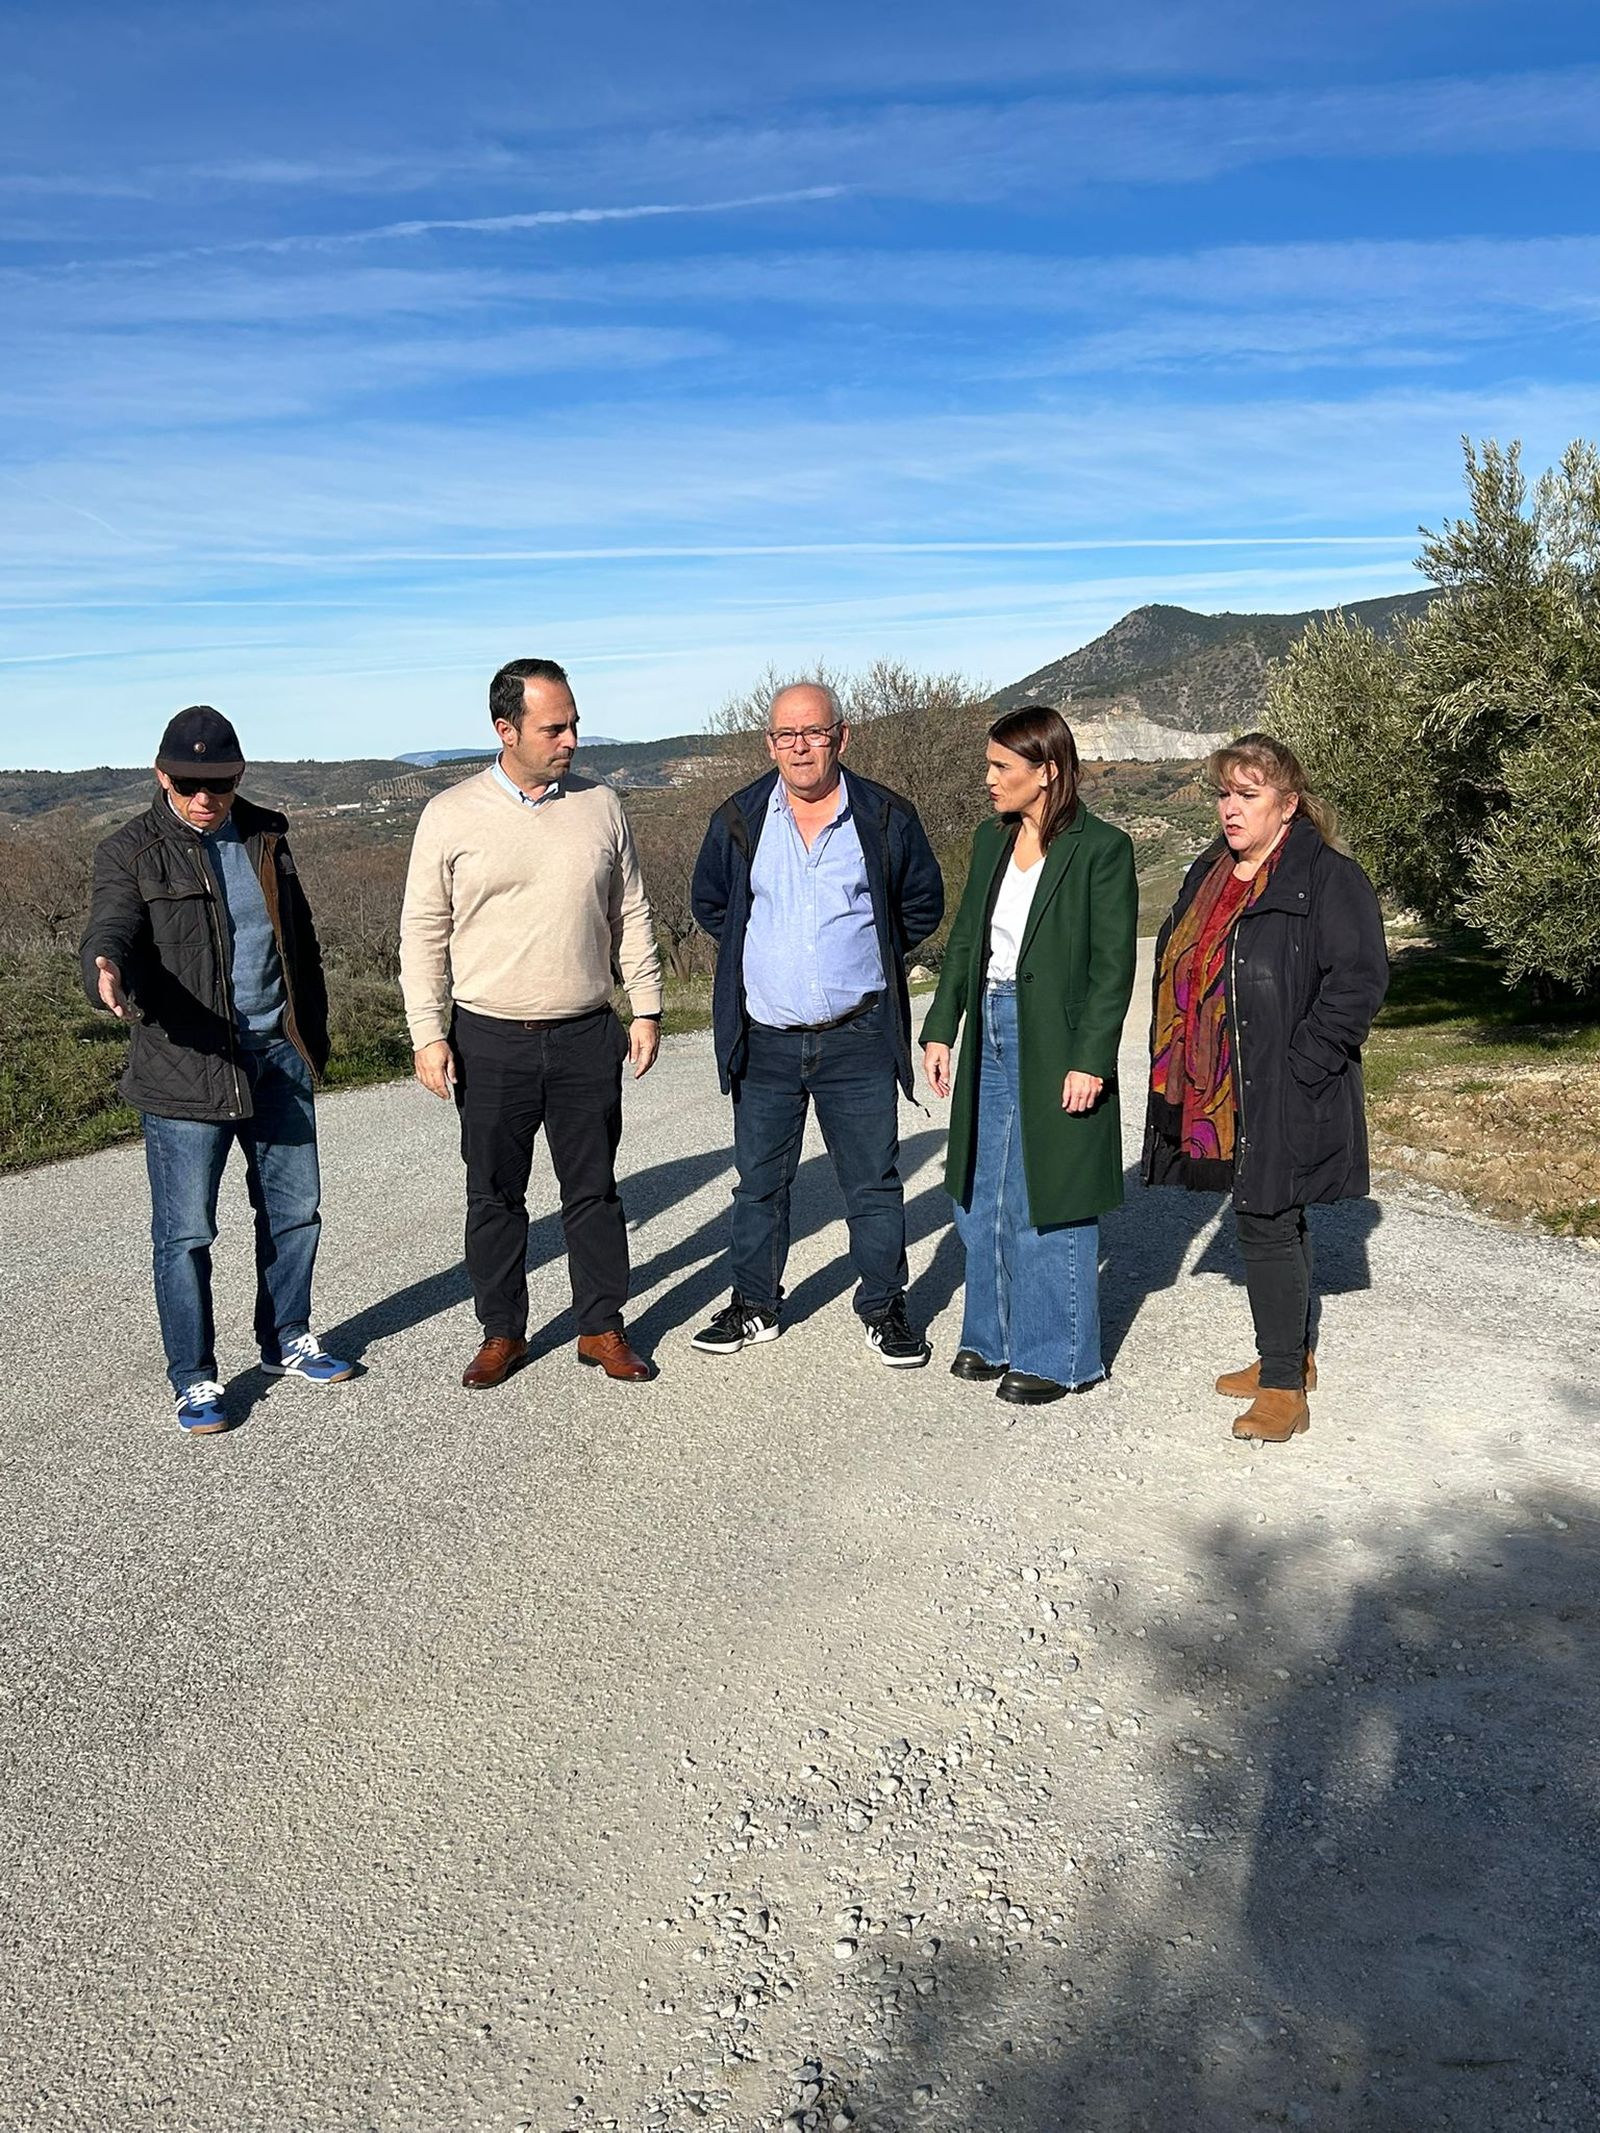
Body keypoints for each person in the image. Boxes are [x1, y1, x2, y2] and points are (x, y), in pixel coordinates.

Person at [80, 706, 352, 1434]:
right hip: (184, 1070)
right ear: (161, 774)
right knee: (186, 1235)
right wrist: (102, 965)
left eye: (222, 783)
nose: (207, 799)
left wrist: (308, 1036)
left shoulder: (267, 835)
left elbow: (299, 941)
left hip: (276, 1058)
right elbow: (110, 924)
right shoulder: (130, 850)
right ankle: (194, 1378)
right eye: (192, 784)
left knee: (295, 1215)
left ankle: (286, 1338)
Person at [400, 657, 663, 1389]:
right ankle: (502, 1331)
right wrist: (428, 1031)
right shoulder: (449, 814)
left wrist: (645, 1005)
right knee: (493, 1195)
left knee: (594, 1190)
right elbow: (423, 930)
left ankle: (601, 1326)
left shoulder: (601, 804)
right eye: (556, 726)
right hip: (488, 1038)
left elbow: (631, 910)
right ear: (505, 729)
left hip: (586, 1031)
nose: (573, 738)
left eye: (574, 721)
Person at [1142, 731, 1388, 1444]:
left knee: (1267, 1215)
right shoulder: (1211, 871)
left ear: (1288, 803)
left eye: (1248, 794)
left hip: (1286, 1081)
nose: (1230, 807)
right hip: (1225, 1083)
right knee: (1271, 1213)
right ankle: (1287, 1355)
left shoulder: (1327, 877)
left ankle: (1283, 1385)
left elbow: (1360, 981)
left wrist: (1303, 1061)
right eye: (1224, 792)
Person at [688, 682, 944, 1365]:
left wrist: (860, 957)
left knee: (872, 1183)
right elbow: (713, 904)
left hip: (856, 1036)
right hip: (765, 1038)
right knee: (759, 1185)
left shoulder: (885, 815)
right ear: (769, 743)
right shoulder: (739, 817)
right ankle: (754, 1305)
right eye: (785, 735)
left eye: (814, 732)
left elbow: (919, 904)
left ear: (842, 735)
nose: (800, 747)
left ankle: (885, 1306)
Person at [921, 706, 1138, 1405]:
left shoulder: (1102, 848)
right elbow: (964, 944)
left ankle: (1059, 1355)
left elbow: (1113, 967)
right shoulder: (991, 841)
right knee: (981, 1190)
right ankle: (991, 1335)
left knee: (1051, 1191)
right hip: (987, 1018)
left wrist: (1092, 1057)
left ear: (1046, 772)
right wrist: (940, 1026)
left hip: (1058, 1038)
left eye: (1001, 768)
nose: (988, 780)